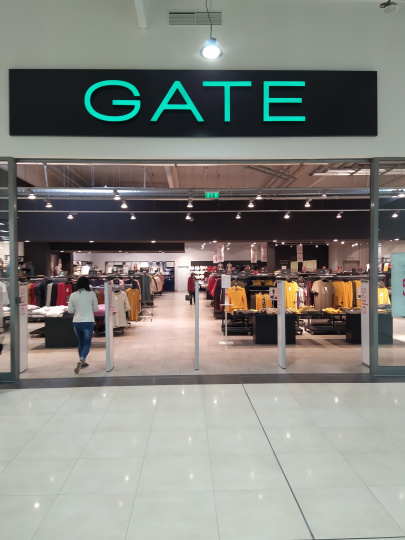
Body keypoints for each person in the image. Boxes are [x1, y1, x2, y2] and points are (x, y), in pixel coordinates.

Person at [68, 276, 98, 374]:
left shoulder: (73, 295)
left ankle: (83, 362)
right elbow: (96, 308)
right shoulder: (91, 294)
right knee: (87, 343)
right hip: (88, 321)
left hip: (76, 322)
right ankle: (82, 359)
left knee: (80, 343)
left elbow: (70, 310)